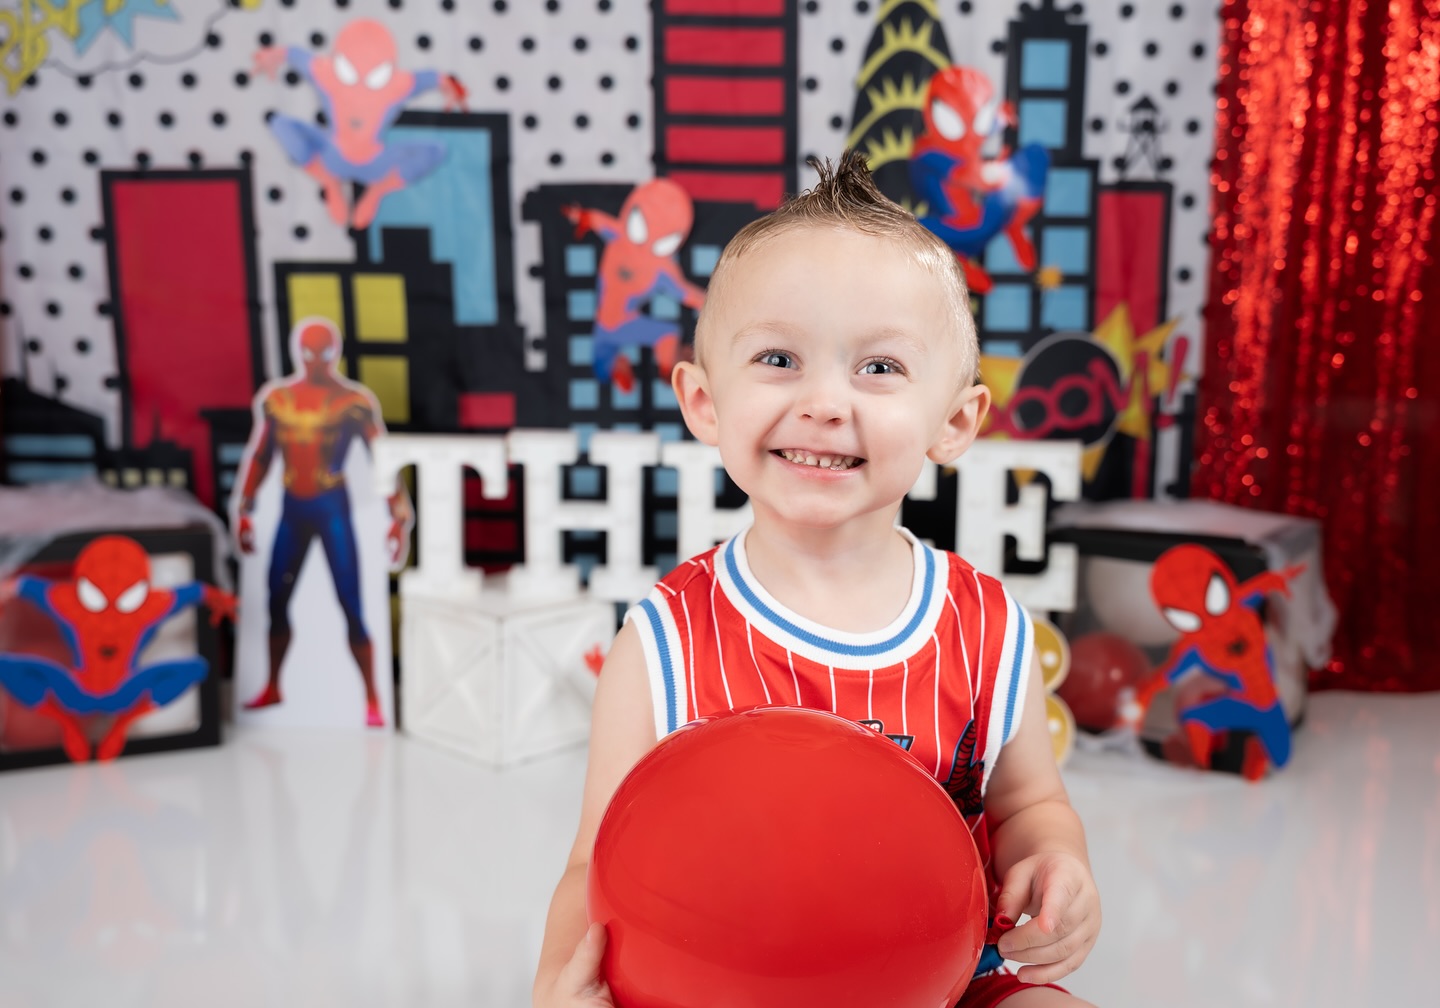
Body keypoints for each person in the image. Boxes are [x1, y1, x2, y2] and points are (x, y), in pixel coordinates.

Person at [533, 151, 1101, 1008]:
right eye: (777, 359)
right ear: (704, 404)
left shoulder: (986, 627)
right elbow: (597, 860)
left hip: (941, 982)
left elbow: (1028, 806)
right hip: (721, 985)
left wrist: (1057, 868)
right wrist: (555, 988)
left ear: (954, 421)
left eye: (878, 368)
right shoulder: (664, 643)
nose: (826, 402)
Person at [234, 317, 412, 728]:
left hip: (332, 504)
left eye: (323, 351)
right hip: (293, 506)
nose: (315, 360)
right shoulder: (279, 399)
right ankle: (274, 685)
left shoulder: (351, 401)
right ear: (299, 352)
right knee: (276, 600)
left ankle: (372, 697)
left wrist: (397, 515)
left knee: (351, 603)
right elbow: (261, 454)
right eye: (310, 351)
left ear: (335, 352)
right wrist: (244, 509)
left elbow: (380, 459)